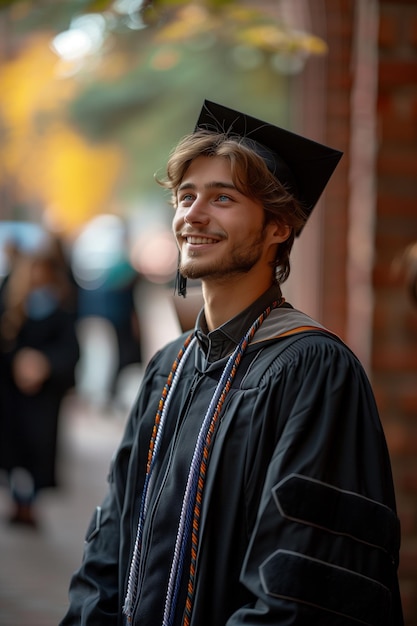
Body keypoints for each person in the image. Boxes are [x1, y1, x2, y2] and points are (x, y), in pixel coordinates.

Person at [60, 100, 404, 625]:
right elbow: (110, 541)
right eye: (186, 196)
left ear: (277, 228)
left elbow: (304, 580)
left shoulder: (314, 369)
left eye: (223, 198)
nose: (193, 214)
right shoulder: (167, 369)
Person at [0, 240, 79, 527]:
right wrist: (18, 361)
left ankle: (29, 502)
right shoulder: (10, 303)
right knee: (13, 450)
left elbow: (71, 351)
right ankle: (18, 501)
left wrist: (43, 364)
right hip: (12, 394)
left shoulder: (60, 307)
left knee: (36, 451)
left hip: (44, 396)